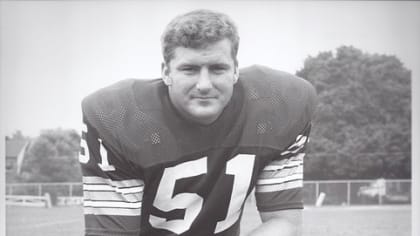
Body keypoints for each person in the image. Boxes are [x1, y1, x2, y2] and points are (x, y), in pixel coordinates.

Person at [79, 9, 317, 236]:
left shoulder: (278, 107)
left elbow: (285, 223)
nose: (204, 84)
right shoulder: (117, 118)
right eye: (189, 69)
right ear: (166, 72)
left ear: (235, 70)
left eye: (217, 69)